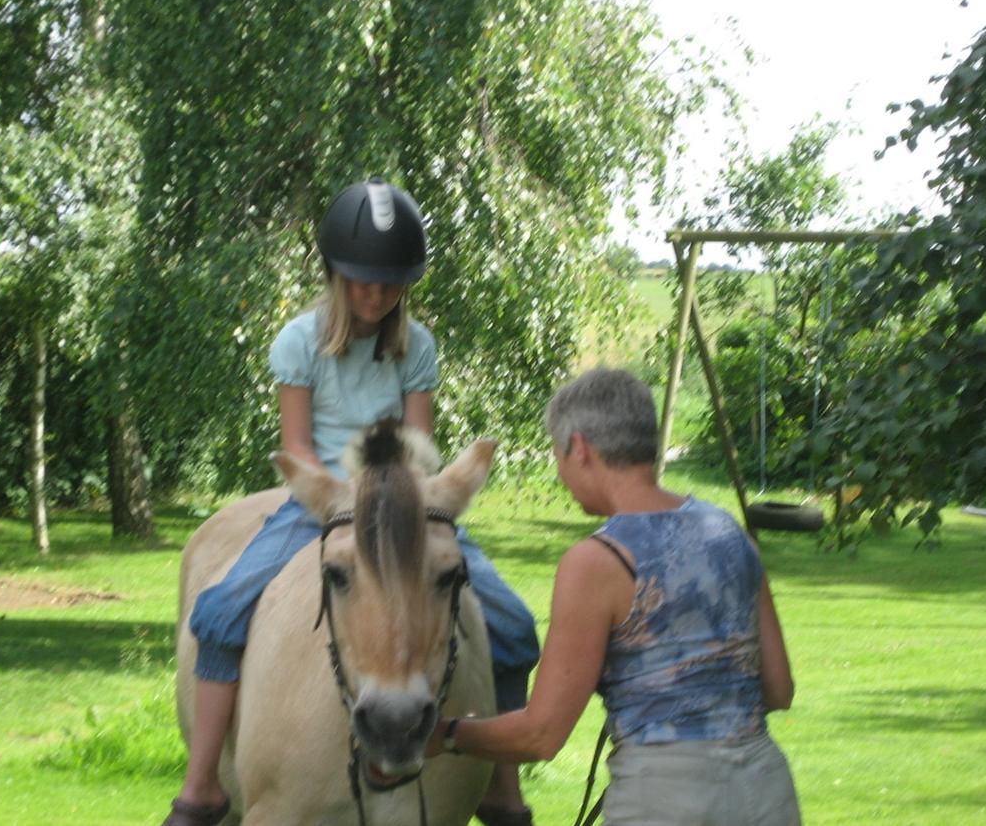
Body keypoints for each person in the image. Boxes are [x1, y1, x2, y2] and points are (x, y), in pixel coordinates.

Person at [162, 178, 539, 826]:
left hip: (405, 504)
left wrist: (411, 501)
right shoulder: (298, 342)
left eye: (390, 281)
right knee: (222, 612)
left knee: (509, 623)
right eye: (363, 278)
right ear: (335, 273)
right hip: (321, 503)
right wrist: (338, 500)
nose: (376, 292)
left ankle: (502, 789)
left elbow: (416, 448)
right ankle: (202, 788)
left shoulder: (416, 346)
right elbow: (297, 446)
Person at [428, 368, 801, 826]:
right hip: (765, 788)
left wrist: (443, 734)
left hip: (666, 799)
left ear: (580, 448)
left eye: (557, 454)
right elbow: (779, 689)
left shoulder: (598, 561)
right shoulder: (728, 531)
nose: (562, 474)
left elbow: (541, 735)